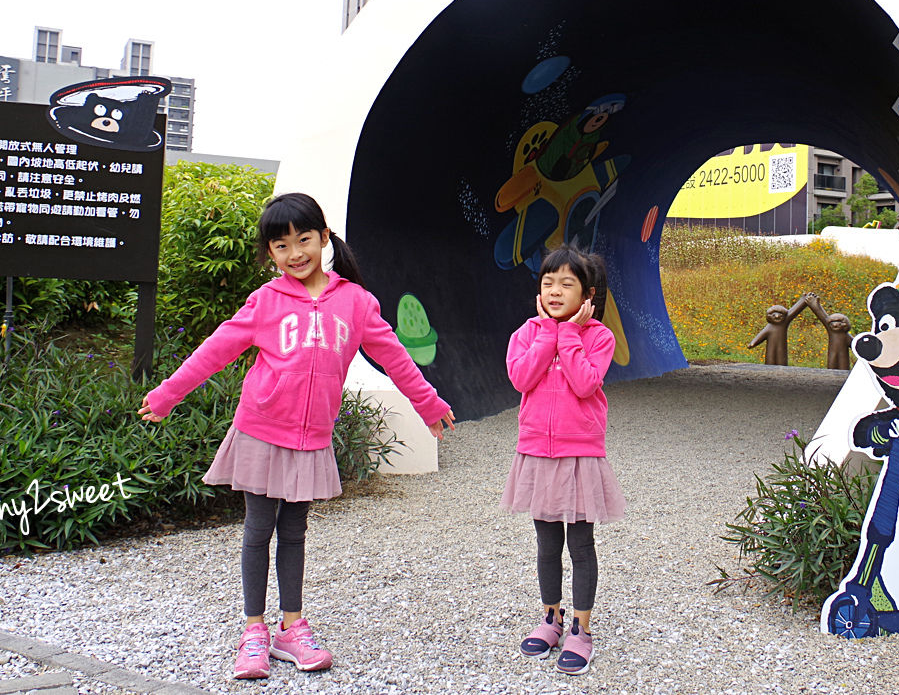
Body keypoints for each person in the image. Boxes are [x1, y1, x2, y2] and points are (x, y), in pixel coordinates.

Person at [137, 192, 455, 680]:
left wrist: (429, 405)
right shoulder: (265, 301)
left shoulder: (356, 303)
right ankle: (253, 631)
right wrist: (166, 395)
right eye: (281, 246)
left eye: (304, 239)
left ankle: (291, 627)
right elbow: (215, 350)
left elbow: (395, 359)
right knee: (257, 529)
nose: (295, 253)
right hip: (261, 430)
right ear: (271, 253)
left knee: (294, 531)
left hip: (311, 437)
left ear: (324, 237)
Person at [500, 245, 625, 676]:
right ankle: (550, 618)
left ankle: (581, 627)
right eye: (548, 282)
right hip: (537, 452)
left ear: (586, 294)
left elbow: (586, 383)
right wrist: (549, 333)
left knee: (582, 545)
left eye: (566, 284)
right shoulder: (526, 333)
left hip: (580, 454)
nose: (554, 290)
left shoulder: (599, 337)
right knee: (547, 544)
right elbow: (521, 377)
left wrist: (568, 334)